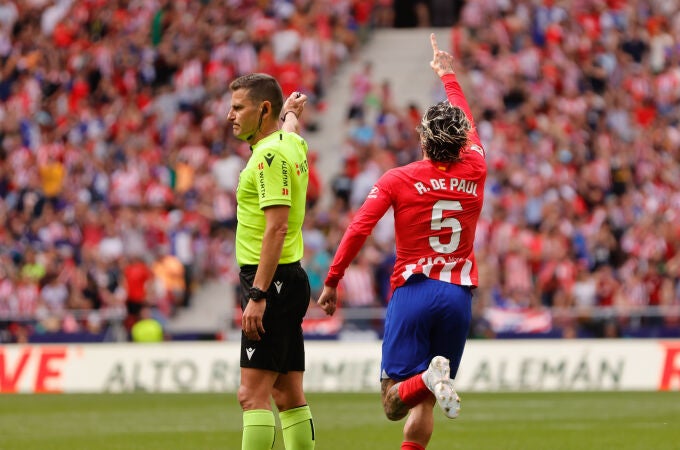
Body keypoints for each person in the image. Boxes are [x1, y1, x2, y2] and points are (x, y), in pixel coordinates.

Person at [317, 34, 487, 450]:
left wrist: (332, 280)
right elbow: (467, 119)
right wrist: (448, 75)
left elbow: (358, 228)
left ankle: (429, 376)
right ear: (462, 141)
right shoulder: (477, 167)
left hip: (413, 292)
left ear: (424, 140)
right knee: (424, 400)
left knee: (395, 402)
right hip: (457, 296)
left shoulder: (398, 178)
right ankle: (431, 379)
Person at [227, 73, 315, 450]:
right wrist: (290, 114)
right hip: (289, 277)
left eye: (237, 107)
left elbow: (276, 228)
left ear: (263, 109)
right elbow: (290, 129)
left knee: (251, 395)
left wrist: (258, 293)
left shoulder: (269, 155)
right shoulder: (289, 142)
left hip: (270, 281)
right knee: (288, 393)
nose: (230, 115)